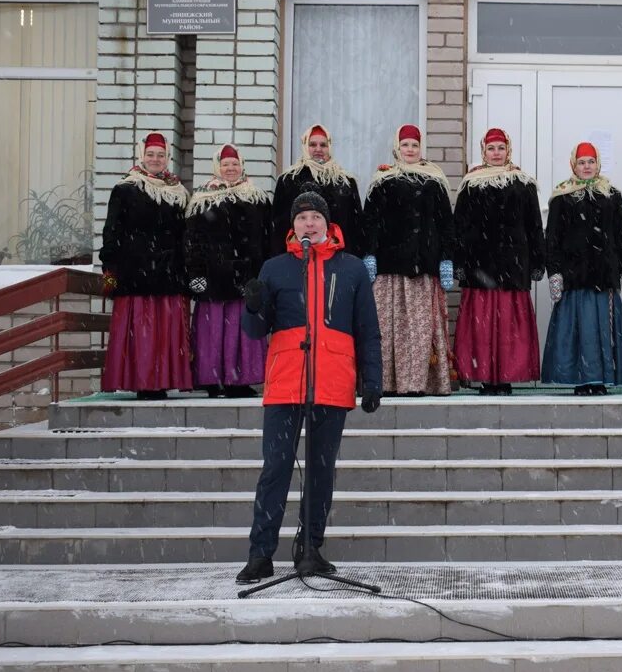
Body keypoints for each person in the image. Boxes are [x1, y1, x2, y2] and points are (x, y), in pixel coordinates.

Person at [235, 190, 383, 583]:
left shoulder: (351, 269)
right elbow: (254, 331)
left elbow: (368, 330)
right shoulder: (275, 268)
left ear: (327, 223)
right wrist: (251, 305)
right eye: (302, 218)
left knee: (321, 472)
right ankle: (260, 554)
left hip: (332, 382)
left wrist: (372, 380)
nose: (309, 224)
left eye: (316, 217)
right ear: (293, 225)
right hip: (286, 383)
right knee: (275, 469)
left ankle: (310, 549)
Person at [362, 124, 455, 396]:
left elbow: (445, 224)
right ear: (397, 148)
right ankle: (388, 382)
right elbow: (371, 222)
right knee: (388, 329)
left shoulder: (434, 182)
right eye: (405, 145)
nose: (410, 150)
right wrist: (369, 254)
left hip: (423, 266)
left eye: (415, 145)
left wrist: (446, 259)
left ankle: (417, 383)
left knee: (419, 329)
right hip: (390, 268)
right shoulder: (382, 182)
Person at [452, 127, 545, 396]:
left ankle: (505, 377)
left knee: (508, 328)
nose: (496, 153)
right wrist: (458, 261)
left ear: (509, 150)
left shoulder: (523, 183)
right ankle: (484, 377)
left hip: (512, 265)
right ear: (483, 151)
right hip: (479, 265)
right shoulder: (472, 183)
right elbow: (461, 225)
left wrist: (538, 260)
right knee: (480, 328)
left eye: (500, 148)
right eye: (491, 148)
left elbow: (534, 225)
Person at [100, 132, 192, 400]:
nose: (155, 159)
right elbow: (111, 232)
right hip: (135, 274)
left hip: (168, 273)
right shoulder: (125, 189)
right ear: (141, 155)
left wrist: (185, 270)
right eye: (150, 154)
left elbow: (183, 236)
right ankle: (142, 382)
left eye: (160, 155)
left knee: (164, 334)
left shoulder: (178, 193)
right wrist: (110, 270)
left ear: (167, 158)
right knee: (141, 332)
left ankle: (163, 381)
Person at [542, 141, 622, 396]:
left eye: (591, 161)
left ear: (598, 164)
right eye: (582, 162)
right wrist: (555, 273)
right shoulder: (562, 196)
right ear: (573, 165)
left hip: (603, 276)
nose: (586, 166)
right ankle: (580, 379)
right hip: (574, 277)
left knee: (601, 330)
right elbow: (552, 239)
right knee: (578, 331)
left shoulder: (611, 195)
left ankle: (600, 379)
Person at [184, 144, 271, 398]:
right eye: (225, 164)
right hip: (212, 279)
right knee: (212, 332)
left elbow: (266, 239)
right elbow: (191, 240)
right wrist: (195, 274)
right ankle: (212, 380)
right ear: (217, 167)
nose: (230, 168)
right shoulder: (202, 199)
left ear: (242, 165)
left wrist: (263, 276)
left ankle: (240, 380)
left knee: (241, 329)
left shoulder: (256, 198)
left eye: (234, 164)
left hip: (246, 277)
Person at [270, 124, 362, 257]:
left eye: (323, 145)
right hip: (297, 257)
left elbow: (356, 225)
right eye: (313, 144)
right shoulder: (288, 180)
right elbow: (278, 225)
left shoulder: (345, 181)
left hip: (339, 257)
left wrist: (356, 257)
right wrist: (279, 257)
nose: (318, 149)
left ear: (329, 147)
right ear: (305, 146)